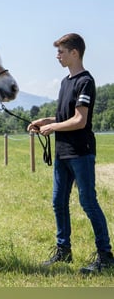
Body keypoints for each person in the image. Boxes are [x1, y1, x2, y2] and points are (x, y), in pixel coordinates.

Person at [28, 33, 114, 274]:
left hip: (81, 152)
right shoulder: (66, 82)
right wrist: (43, 121)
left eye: (61, 51)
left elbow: (79, 120)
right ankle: (63, 251)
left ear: (74, 53)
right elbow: (65, 117)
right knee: (58, 202)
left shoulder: (86, 81)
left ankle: (105, 255)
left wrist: (52, 127)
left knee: (88, 202)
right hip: (63, 153)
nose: (58, 56)